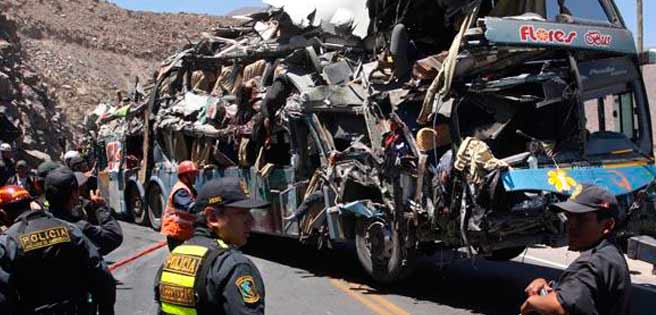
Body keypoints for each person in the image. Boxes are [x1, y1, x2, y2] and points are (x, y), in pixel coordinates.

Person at [154, 177, 270, 315]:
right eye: (242, 213)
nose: (251, 221)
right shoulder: (234, 266)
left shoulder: (171, 261)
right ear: (212, 218)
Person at [0, 185, 116, 314]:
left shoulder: (8, 242)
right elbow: (102, 275)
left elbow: (3, 298)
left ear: (3, 214)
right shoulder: (69, 229)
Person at [521, 184, 631, 315]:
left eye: (581, 219)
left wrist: (533, 302)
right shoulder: (609, 254)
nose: (571, 225)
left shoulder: (595, 262)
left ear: (607, 225)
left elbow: (561, 308)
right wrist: (546, 287)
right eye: (569, 216)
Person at [45, 167, 123, 256]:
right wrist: (100, 208)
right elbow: (113, 236)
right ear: (74, 195)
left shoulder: (36, 225)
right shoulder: (78, 228)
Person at [161, 160, 199, 250]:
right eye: (192, 174)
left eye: (195, 174)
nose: (195, 177)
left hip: (184, 233)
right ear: (184, 176)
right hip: (176, 232)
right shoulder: (180, 191)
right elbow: (191, 207)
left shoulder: (190, 189)